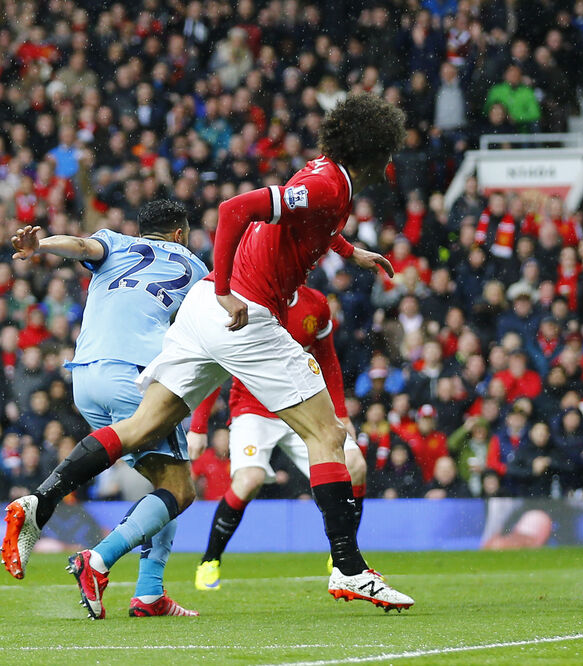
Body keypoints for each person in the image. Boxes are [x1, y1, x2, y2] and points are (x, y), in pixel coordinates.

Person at [3, 94, 415, 613]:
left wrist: (349, 250)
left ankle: (37, 503)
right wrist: (225, 291)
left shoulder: (325, 176)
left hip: (200, 314)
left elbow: (307, 219)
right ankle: (350, 569)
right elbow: (234, 209)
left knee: (142, 427)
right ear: (376, 148)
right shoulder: (328, 183)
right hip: (240, 309)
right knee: (328, 434)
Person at [3, 200, 208, 618]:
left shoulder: (117, 242)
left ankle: (150, 594)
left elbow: (79, 245)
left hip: (85, 376)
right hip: (135, 377)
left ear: (141, 229)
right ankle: (95, 559)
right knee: (181, 489)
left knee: (165, 485)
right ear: (180, 234)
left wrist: (41, 245)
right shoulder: (199, 271)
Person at [190, 285, 368, 590]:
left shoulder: (316, 303)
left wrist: (341, 413)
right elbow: (216, 363)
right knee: (249, 479)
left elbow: (328, 359)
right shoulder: (246, 300)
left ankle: (343, 552)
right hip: (253, 407)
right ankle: (209, 559)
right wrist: (198, 426)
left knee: (356, 464)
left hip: (302, 402)